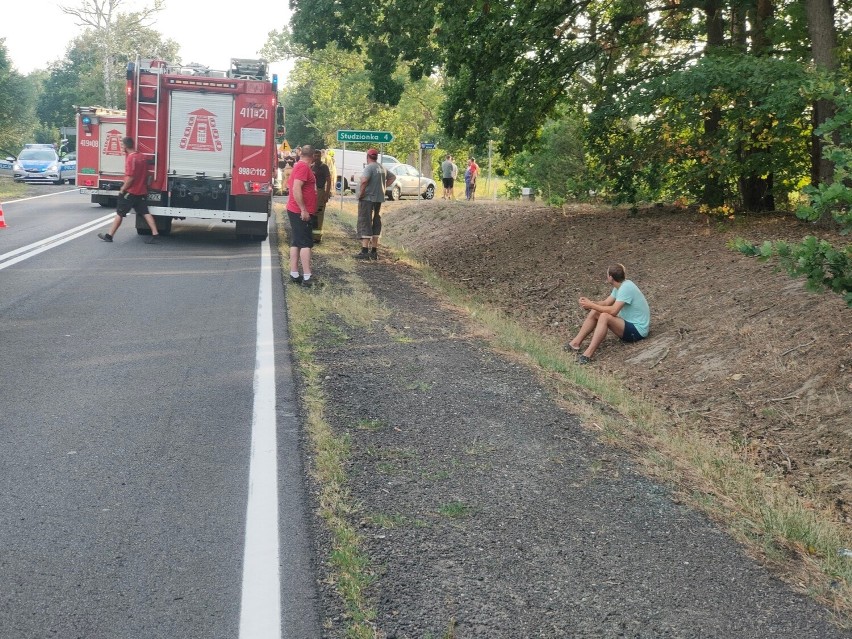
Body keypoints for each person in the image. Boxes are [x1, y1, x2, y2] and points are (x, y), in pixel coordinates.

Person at [566, 263, 650, 364]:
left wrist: (591, 305)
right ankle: (575, 343)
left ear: (610, 277)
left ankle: (587, 355)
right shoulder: (620, 286)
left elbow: (614, 311)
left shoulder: (626, 288)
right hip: (628, 324)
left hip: (638, 331)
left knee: (605, 316)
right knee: (596, 311)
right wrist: (590, 303)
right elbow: (606, 303)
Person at [97, 136, 160, 244]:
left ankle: (109, 236)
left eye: (122, 145)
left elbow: (131, 177)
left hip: (130, 192)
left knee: (120, 213)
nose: (121, 147)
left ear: (126, 146)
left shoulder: (131, 158)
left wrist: (123, 189)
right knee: (145, 212)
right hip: (141, 191)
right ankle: (155, 233)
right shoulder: (142, 157)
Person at [355, 148, 396, 261]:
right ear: (376, 157)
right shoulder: (381, 167)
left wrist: (361, 193)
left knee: (365, 221)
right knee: (376, 222)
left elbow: (364, 181)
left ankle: (364, 251)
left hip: (368, 199)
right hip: (379, 199)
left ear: (367, 156)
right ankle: (374, 251)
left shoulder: (369, 167)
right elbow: (393, 177)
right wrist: (382, 187)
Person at [286, 144, 318, 287]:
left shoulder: (299, 166)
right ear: (312, 157)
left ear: (301, 154)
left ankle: (294, 273)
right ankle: (307, 276)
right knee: (305, 243)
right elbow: (296, 187)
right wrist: (303, 209)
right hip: (300, 211)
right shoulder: (303, 167)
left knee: (296, 241)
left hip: (296, 209)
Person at [311, 149, 332, 244]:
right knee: (312, 214)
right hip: (312, 192)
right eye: (315, 156)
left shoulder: (324, 167)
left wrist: (326, 194)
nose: (316, 158)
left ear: (320, 156)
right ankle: (311, 234)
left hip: (320, 191)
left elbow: (329, 180)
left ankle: (317, 236)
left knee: (319, 214)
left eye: (318, 156)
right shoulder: (311, 167)